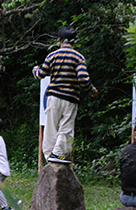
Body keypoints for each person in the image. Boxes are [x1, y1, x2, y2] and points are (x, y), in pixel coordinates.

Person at [33, 27, 99, 164]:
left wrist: (35, 70)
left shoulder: (52, 56)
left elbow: (40, 75)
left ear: (59, 41)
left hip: (53, 97)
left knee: (50, 127)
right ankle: (59, 154)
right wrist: (92, 90)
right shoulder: (78, 57)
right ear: (74, 42)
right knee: (66, 128)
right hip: (70, 98)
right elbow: (83, 78)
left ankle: (49, 156)